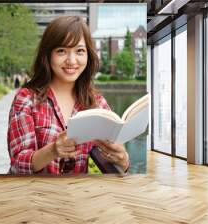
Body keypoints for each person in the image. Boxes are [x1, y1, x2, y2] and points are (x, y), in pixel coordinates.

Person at [7, 16, 130, 174]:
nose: (72, 61)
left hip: (79, 195)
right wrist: (53, 150)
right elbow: (18, 165)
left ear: (88, 55)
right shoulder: (26, 98)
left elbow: (115, 165)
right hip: (35, 195)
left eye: (79, 51)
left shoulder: (97, 102)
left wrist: (123, 160)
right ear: (48, 54)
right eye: (61, 51)